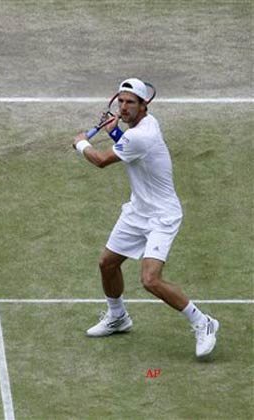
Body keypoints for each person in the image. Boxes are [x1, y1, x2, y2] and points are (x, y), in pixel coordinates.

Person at [72, 78, 219, 358]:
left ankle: (204, 322)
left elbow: (102, 160)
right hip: (138, 211)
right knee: (107, 264)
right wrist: (116, 135)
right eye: (121, 101)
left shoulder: (141, 135)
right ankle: (118, 317)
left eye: (131, 103)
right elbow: (133, 154)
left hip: (162, 216)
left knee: (150, 280)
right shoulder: (141, 129)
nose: (123, 107)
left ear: (144, 106)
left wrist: (80, 144)